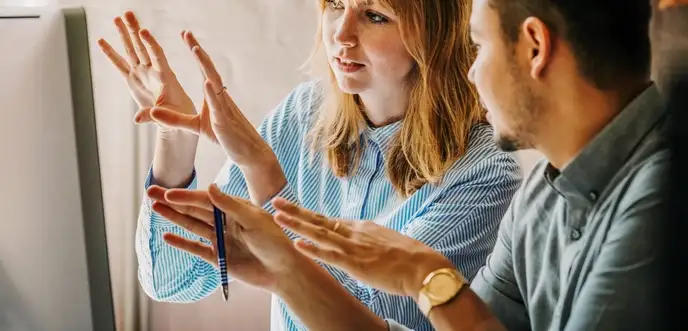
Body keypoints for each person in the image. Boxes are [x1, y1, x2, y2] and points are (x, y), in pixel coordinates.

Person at [150, 0, 670, 330]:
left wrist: (428, 279)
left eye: (479, 44)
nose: (472, 71)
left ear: (534, 46)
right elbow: (173, 279)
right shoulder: (546, 196)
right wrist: (286, 272)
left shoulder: (659, 203)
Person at [98, 1, 522, 330]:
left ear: (436, 33)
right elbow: (174, 280)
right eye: (336, 4)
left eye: (375, 15)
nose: (342, 33)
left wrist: (264, 174)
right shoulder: (304, 113)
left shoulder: (484, 171)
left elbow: (365, 321)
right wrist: (176, 138)